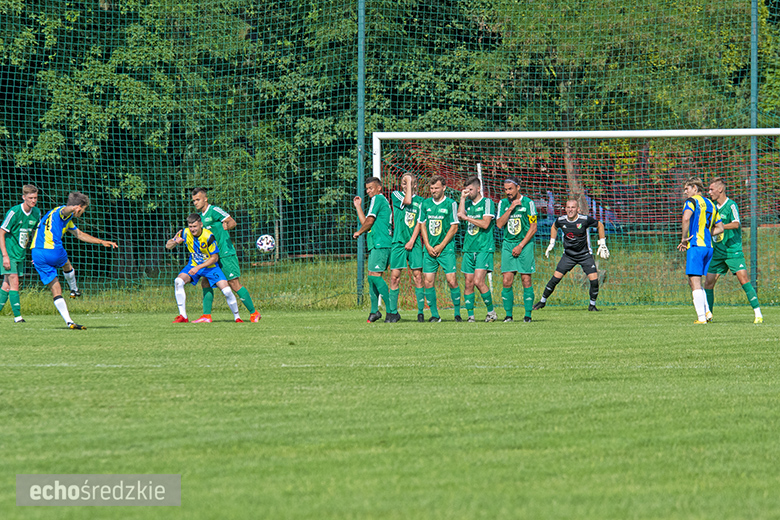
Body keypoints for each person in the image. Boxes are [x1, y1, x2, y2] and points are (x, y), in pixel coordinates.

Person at [31, 192, 118, 329]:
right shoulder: (62, 212)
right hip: (52, 250)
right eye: (83, 209)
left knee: (56, 288)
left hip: (36, 253)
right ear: (79, 207)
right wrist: (73, 208)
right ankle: (74, 289)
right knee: (67, 264)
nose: (82, 213)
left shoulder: (56, 216)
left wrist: (101, 241)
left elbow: (80, 234)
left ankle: (69, 321)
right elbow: (65, 210)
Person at [191, 187, 261, 323]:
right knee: (205, 281)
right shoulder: (200, 217)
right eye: (193, 200)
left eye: (198, 199)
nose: (195, 203)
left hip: (225, 253)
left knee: (234, 283)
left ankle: (254, 313)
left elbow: (232, 221)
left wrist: (227, 226)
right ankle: (206, 316)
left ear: (205, 199)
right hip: (212, 256)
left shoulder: (214, 210)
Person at [532, 198, 610, 312]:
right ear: (565, 209)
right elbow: (554, 226)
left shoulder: (584, 220)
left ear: (578, 209)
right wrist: (551, 243)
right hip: (568, 255)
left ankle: (592, 305)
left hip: (585, 255)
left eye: (573, 207)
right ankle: (542, 301)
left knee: (594, 280)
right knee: (555, 279)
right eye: (568, 207)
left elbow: (600, 225)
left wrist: (602, 243)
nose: (570, 210)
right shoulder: (561, 220)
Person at [704, 177, 763, 323]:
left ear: (720, 190)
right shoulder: (712, 207)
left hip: (733, 251)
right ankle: (708, 316)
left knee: (743, 280)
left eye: (711, 189)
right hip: (718, 252)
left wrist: (720, 227)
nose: (709, 192)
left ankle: (758, 314)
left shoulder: (731, 205)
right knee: (708, 283)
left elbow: (736, 224)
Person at [166, 213, 242, 323]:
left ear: (201, 224)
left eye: (195, 226)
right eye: (190, 226)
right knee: (178, 281)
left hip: (210, 267)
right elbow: (168, 246)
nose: (192, 229)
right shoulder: (184, 232)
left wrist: (199, 267)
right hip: (193, 265)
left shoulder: (208, 236)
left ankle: (237, 317)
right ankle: (183, 316)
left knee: (226, 291)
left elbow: (214, 258)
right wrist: (174, 242)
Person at [676, 177, 724, 324]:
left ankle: (701, 318)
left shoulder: (692, 202)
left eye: (687, 188)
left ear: (695, 189)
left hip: (696, 246)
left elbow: (686, 219)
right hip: (708, 248)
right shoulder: (711, 204)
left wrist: (684, 238)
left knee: (695, 282)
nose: (685, 192)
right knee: (694, 281)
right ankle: (707, 311)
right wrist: (707, 234)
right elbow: (720, 228)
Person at [419, 175, 461, 322]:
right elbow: (422, 224)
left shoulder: (451, 204)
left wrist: (441, 245)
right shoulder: (425, 204)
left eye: (436, 188)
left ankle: (457, 313)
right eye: (431, 188)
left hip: (446, 249)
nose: (433, 191)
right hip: (429, 250)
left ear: (444, 188)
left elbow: (454, 227)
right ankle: (435, 315)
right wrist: (428, 245)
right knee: (428, 281)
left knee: (451, 280)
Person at [495, 177, 537, 322]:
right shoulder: (503, 203)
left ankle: (528, 315)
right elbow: (499, 224)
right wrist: (511, 207)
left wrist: (520, 246)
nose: (507, 192)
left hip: (524, 245)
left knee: (526, 279)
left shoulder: (529, 203)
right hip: (508, 244)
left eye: (510, 189)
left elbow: (533, 227)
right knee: (507, 280)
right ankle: (508, 315)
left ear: (518, 188)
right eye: (505, 189)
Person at [457, 175, 497, 322]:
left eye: (471, 189)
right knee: (468, 282)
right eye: (466, 190)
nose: (469, 193)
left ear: (478, 188)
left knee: (478, 281)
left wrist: (467, 218)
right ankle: (471, 316)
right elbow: (460, 215)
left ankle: (491, 312)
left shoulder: (487, 202)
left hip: (483, 247)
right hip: (468, 248)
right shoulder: (467, 203)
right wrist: (462, 198)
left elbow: (486, 224)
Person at [353, 176, 393, 322]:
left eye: (371, 188)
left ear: (379, 188)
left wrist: (358, 232)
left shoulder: (378, 199)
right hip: (377, 244)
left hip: (381, 243)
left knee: (374, 276)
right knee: (371, 277)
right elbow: (367, 222)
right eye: (367, 189)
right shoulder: (376, 201)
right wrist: (358, 206)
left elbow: (368, 223)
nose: (368, 191)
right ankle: (374, 311)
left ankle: (391, 311)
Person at [0, 184, 41, 323]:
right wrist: (5, 255)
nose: (33, 201)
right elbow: (1, 232)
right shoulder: (14, 212)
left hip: (20, 254)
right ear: (24, 197)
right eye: (30, 198)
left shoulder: (37, 213)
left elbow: (36, 234)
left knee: (6, 285)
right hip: (9, 253)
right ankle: (18, 317)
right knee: (15, 283)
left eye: (35, 198)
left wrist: (36, 253)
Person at [389, 173, 425, 322]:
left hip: (414, 242)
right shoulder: (396, 195)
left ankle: (421, 312)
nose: (406, 184)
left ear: (416, 184)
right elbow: (408, 200)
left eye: (409, 182)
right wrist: (408, 182)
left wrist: (412, 240)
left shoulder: (422, 201)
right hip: (398, 242)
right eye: (404, 182)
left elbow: (419, 222)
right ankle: (392, 313)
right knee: (394, 277)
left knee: (418, 276)